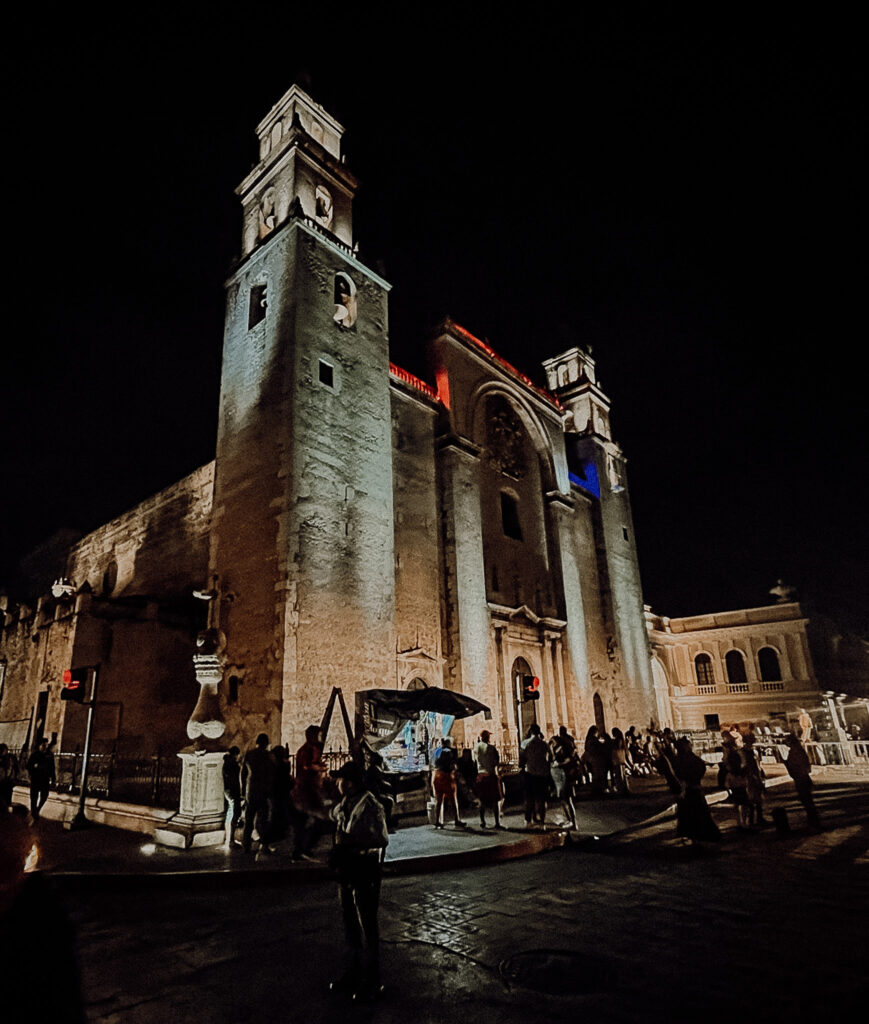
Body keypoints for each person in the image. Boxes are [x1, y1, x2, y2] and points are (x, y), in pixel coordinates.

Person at [329, 760, 389, 1001]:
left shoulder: (371, 805)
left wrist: (351, 840)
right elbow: (329, 814)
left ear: (351, 783)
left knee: (367, 926)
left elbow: (381, 839)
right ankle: (352, 973)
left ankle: (372, 981)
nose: (337, 783)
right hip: (347, 871)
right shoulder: (345, 803)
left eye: (340, 779)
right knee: (350, 925)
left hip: (365, 869)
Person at [673, 736, 721, 843]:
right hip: (692, 788)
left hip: (689, 787)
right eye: (689, 744)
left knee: (689, 813)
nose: (691, 746)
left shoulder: (680, 758)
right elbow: (698, 768)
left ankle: (692, 834)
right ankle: (699, 835)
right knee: (697, 812)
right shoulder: (688, 758)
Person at [292, 724, 328, 858]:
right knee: (315, 820)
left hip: (310, 789)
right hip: (307, 790)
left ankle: (302, 849)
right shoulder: (308, 750)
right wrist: (320, 768)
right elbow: (307, 766)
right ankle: (303, 849)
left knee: (306, 821)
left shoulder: (310, 749)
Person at [240, 733, 275, 854]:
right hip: (263, 791)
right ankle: (264, 846)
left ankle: (246, 846)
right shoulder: (268, 756)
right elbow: (272, 773)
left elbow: (243, 774)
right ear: (266, 743)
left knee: (249, 820)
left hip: (251, 790)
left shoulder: (249, 754)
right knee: (263, 820)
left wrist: (243, 791)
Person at [783, 733, 821, 830]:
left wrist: (786, 763)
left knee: (807, 800)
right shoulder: (799, 750)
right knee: (807, 800)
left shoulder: (795, 752)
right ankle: (813, 820)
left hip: (801, 778)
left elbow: (795, 766)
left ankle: (814, 821)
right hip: (803, 777)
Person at [519, 723, 551, 827]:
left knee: (529, 799)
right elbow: (551, 758)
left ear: (531, 731)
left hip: (530, 774)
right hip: (543, 774)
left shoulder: (525, 744)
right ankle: (541, 819)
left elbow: (522, 760)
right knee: (541, 799)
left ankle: (528, 820)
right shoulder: (544, 744)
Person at [473, 730, 504, 829]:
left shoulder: (476, 748)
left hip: (480, 775)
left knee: (483, 801)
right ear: (486, 737)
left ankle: (482, 821)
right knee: (495, 800)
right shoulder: (491, 748)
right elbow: (496, 762)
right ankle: (497, 822)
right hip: (490, 775)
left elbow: (475, 761)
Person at [432, 736, 465, 828]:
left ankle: (437, 821)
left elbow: (433, 763)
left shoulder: (437, 751)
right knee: (453, 799)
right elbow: (454, 764)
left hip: (437, 776)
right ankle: (457, 819)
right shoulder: (452, 751)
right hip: (447, 777)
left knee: (438, 800)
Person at [550, 728, 577, 827]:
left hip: (565, 776)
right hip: (566, 776)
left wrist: (559, 764)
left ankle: (572, 822)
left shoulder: (563, 750)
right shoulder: (565, 747)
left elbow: (567, 760)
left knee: (566, 799)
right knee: (566, 799)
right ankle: (572, 821)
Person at [27, 739, 55, 820]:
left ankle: (37, 809)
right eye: (43, 745)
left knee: (44, 795)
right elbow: (29, 766)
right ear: (39, 746)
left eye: (46, 745)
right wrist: (34, 767)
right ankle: (33, 813)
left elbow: (52, 768)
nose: (45, 747)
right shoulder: (34, 755)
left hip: (45, 779)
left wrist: (53, 778)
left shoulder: (49, 755)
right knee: (34, 797)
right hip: (36, 778)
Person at [222, 745, 242, 848]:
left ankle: (229, 839)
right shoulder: (232, 764)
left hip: (228, 790)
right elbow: (235, 778)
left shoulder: (227, 762)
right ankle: (230, 840)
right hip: (233, 791)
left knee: (230, 813)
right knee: (234, 813)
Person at [610, 727, 630, 796]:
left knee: (620, 775)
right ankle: (624, 789)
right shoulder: (621, 739)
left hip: (618, 759)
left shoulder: (619, 740)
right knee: (621, 775)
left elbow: (617, 746)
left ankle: (622, 790)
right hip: (619, 759)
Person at [0, 743, 19, 812]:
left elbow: (15, 769)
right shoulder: (10, 758)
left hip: (7, 781)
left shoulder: (10, 758)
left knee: (6, 798)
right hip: (6, 781)